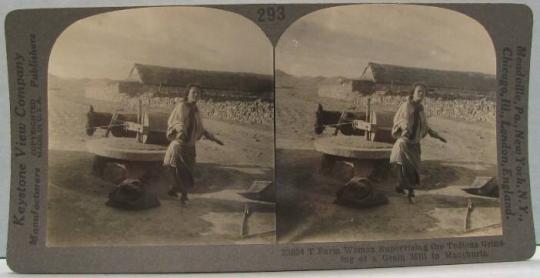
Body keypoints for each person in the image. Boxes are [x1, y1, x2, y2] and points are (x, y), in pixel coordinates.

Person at [163, 84, 224, 206]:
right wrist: (181, 130)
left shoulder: (196, 110)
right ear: (188, 94)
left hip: (190, 146)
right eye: (194, 92)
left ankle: (177, 191)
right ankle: (182, 196)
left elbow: (200, 128)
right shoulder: (181, 106)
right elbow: (176, 121)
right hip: (180, 144)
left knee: (189, 171)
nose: (196, 95)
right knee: (180, 170)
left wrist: (212, 137)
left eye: (198, 93)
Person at [389, 83, 447, 204]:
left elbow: (425, 125)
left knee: (414, 169)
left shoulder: (421, 109)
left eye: (423, 92)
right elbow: (399, 119)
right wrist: (404, 127)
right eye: (419, 91)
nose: (421, 94)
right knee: (404, 167)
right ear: (413, 93)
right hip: (404, 143)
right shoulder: (406, 106)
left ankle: (400, 187)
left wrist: (435, 134)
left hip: (414, 144)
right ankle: (410, 192)